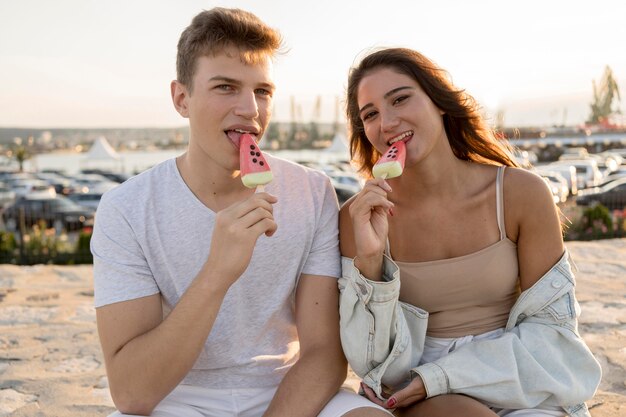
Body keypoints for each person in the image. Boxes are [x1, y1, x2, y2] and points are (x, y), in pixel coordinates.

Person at [91, 8, 391, 417]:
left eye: (263, 91)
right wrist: (218, 272)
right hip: (176, 398)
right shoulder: (125, 209)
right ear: (182, 98)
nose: (250, 109)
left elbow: (323, 354)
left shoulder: (310, 192)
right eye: (226, 87)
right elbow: (132, 393)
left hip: (287, 392)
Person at [338, 47, 602, 417]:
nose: (388, 122)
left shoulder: (520, 193)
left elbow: (553, 336)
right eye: (371, 114)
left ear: (440, 101)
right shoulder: (359, 217)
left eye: (400, 99)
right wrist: (369, 262)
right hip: (419, 391)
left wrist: (443, 376)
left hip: (518, 375)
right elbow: (374, 365)